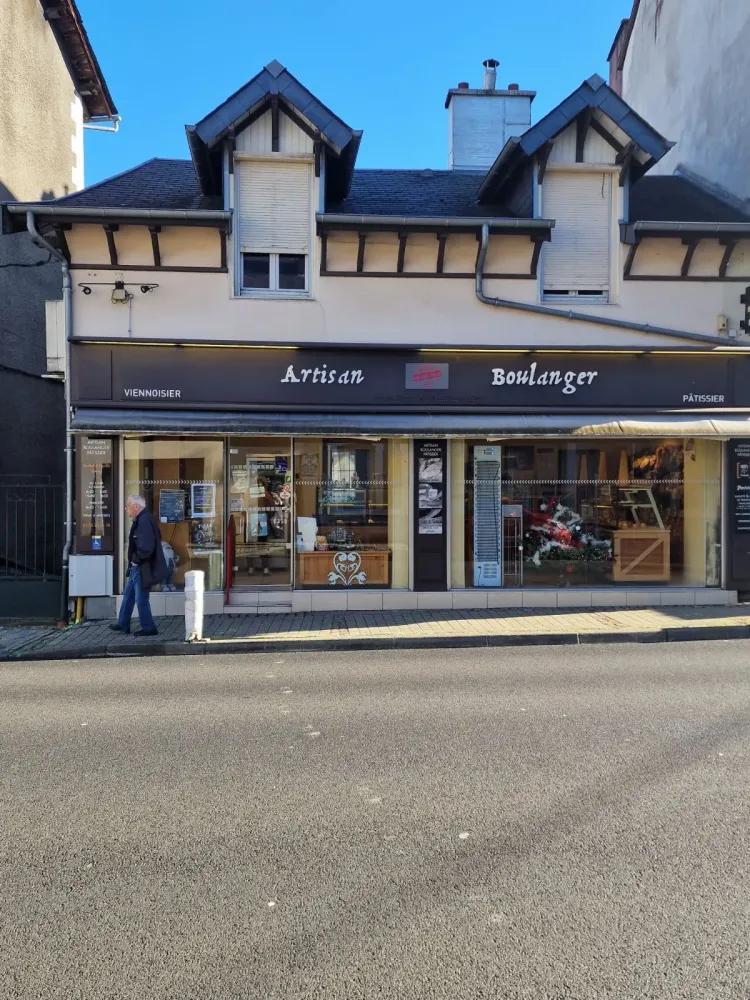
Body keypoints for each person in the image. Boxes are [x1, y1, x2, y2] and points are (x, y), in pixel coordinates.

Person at [110, 495, 168, 636]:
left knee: (141, 599)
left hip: (141, 567)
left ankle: (149, 628)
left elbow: (146, 546)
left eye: (128, 505)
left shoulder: (143, 521)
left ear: (136, 507)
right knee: (128, 595)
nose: (126, 509)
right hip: (137, 566)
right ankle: (123, 624)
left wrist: (136, 559)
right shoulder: (143, 519)